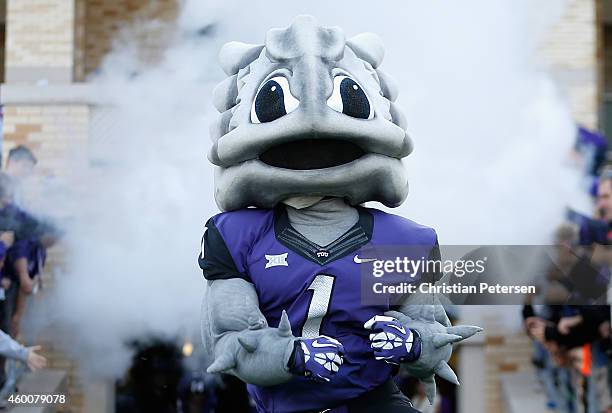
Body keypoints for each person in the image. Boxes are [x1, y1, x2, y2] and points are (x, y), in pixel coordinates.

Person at [199, 16, 482, 413]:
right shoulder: (236, 235)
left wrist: (412, 343)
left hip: (370, 400)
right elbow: (228, 340)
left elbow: (431, 332)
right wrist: (290, 356)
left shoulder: (403, 240)